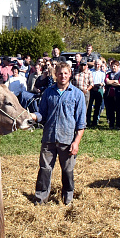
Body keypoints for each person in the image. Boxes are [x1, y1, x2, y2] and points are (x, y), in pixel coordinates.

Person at [34, 62, 86, 206]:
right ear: (55, 75)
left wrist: (76, 142)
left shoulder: (77, 95)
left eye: (65, 73)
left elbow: (81, 124)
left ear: (70, 74)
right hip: (49, 138)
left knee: (68, 170)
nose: (62, 76)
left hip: (67, 140)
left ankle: (67, 199)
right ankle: (40, 199)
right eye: (60, 73)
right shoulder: (48, 93)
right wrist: (33, 116)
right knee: (44, 169)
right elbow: (42, 114)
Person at [103, 59, 120, 129]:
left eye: (115, 66)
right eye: (112, 66)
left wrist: (111, 82)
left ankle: (118, 125)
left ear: (118, 66)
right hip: (109, 95)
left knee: (118, 110)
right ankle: (111, 125)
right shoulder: (108, 74)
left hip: (118, 95)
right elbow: (106, 82)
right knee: (110, 110)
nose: (113, 68)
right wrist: (114, 81)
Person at [88, 59, 106, 128]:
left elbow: (103, 82)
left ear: (100, 65)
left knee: (98, 106)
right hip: (91, 89)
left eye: (98, 64)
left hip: (99, 89)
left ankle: (95, 121)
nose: (97, 65)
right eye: (96, 64)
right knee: (89, 106)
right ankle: (88, 121)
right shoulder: (90, 71)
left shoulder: (102, 73)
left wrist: (101, 84)